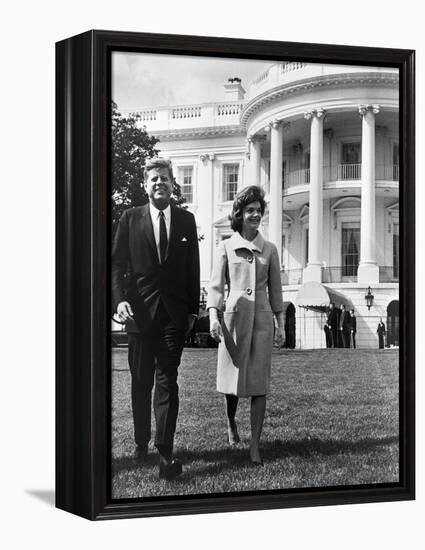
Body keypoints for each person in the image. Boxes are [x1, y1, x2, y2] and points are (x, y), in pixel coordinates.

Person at [112, 157, 200, 480]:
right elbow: (116, 265)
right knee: (141, 382)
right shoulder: (129, 219)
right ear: (144, 185)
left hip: (173, 318)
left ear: (172, 184)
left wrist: (193, 310)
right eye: (154, 179)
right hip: (138, 318)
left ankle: (165, 453)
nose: (159, 183)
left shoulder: (186, 221)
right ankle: (140, 442)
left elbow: (193, 269)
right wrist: (119, 301)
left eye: (164, 178)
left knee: (167, 382)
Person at [207, 186, 284, 466]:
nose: (255, 215)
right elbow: (215, 286)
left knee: (259, 385)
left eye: (258, 211)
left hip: (262, 321)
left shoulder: (271, 250)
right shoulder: (226, 246)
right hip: (234, 322)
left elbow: (277, 292)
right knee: (232, 384)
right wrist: (213, 317)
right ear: (239, 214)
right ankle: (230, 424)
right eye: (249, 210)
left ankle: (254, 445)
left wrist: (281, 323)